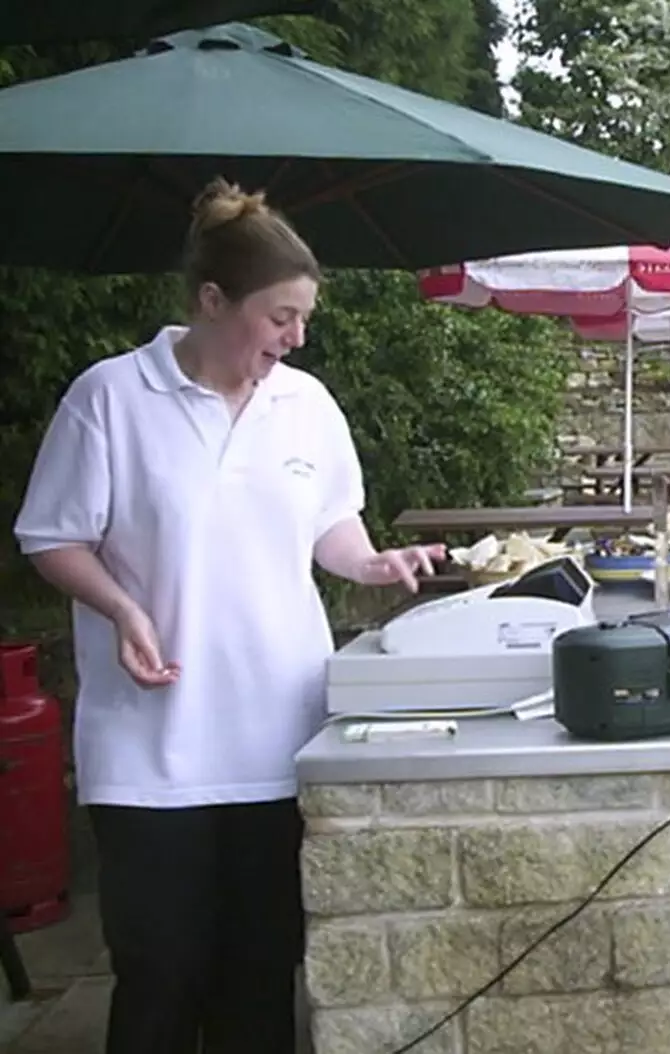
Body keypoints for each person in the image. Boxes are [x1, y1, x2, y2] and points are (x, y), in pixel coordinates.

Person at [13, 179, 444, 1054]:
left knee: (259, 977)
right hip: (149, 752)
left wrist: (370, 561)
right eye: (280, 317)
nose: (297, 337)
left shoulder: (307, 405)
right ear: (213, 301)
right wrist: (122, 606)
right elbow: (52, 537)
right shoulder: (111, 398)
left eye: (303, 319)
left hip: (278, 741)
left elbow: (329, 524)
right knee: (161, 978)